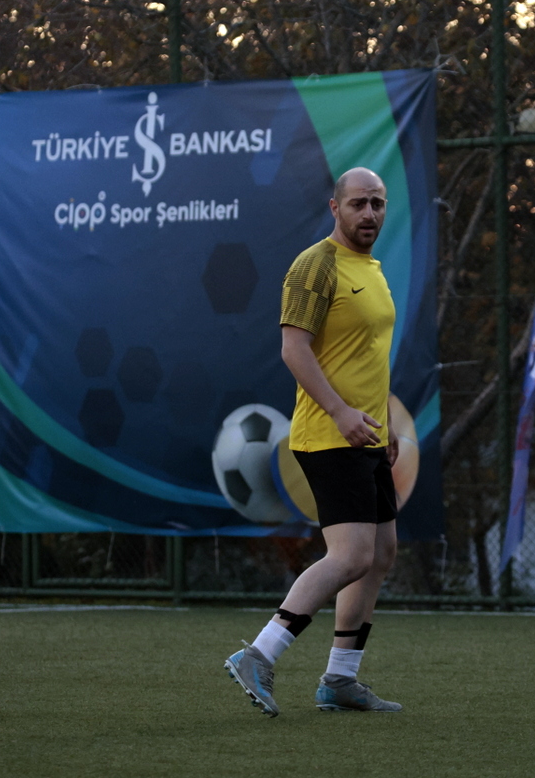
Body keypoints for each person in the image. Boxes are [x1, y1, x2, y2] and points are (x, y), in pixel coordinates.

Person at [225, 167, 402, 715]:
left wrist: (384, 423)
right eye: (358, 204)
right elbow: (294, 349)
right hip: (328, 435)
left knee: (380, 555)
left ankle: (340, 681)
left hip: (367, 436)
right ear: (335, 207)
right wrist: (342, 412)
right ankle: (258, 654)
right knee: (351, 556)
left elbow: (365, 357)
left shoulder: (372, 269)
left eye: (377, 204)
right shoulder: (314, 265)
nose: (369, 213)